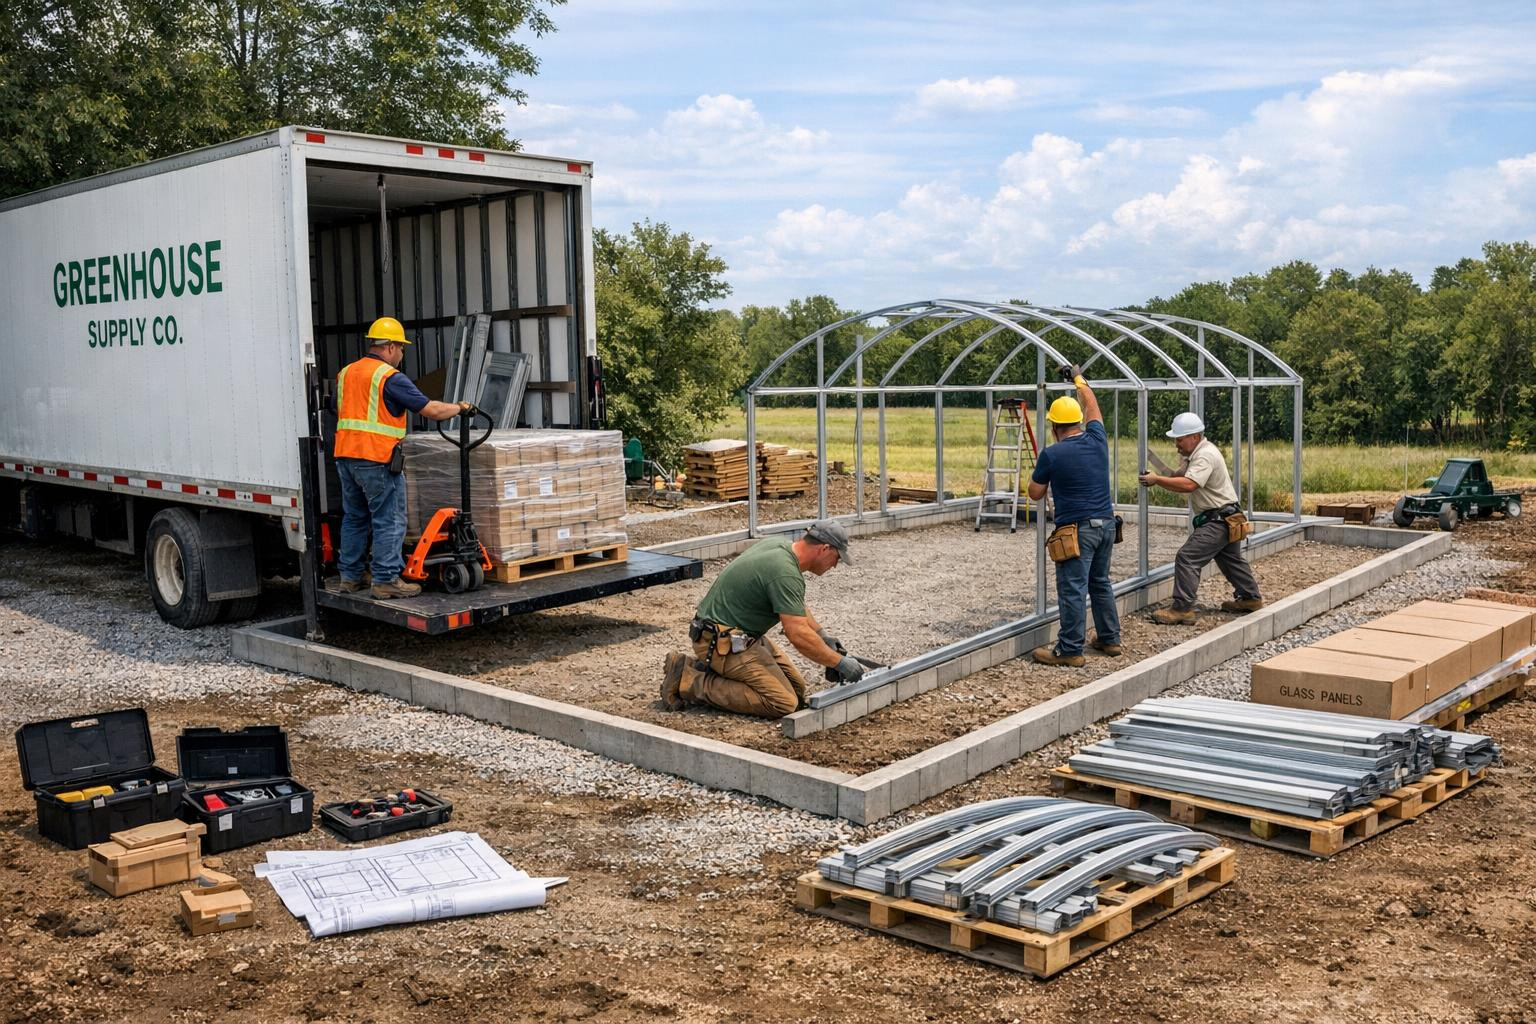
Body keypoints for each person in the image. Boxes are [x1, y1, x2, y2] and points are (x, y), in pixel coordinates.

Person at [660, 520, 866, 718]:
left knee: (797, 690)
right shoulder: (785, 573)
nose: (835, 565)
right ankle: (688, 680)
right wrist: (839, 663)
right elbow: (797, 634)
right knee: (782, 702)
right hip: (719, 642)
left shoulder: (780, 547)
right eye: (837, 558)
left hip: (735, 636)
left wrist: (823, 636)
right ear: (825, 549)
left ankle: (700, 667)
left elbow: (794, 604)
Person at [333, 316, 468, 599]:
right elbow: (431, 410)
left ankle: (350, 577)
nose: (402, 354)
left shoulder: (346, 373)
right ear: (391, 347)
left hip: (346, 457)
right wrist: (460, 407)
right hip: (376, 458)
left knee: (355, 518)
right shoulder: (389, 377)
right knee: (390, 519)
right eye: (402, 348)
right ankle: (385, 579)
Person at [1027, 366, 1122, 667]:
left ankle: (1070, 650)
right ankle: (1110, 639)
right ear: (1079, 422)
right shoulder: (1097, 438)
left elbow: (1034, 492)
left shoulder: (1052, 454)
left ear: (1054, 426)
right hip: (1106, 525)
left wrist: (1041, 475)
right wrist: (1078, 379)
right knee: (1100, 582)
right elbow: (1092, 405)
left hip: (1077, 530)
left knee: (1073, 588)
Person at [1139, 412, 1263, 624]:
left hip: (1218, 520)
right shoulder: (1199, 454)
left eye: (1179, 439)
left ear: (1194, 437)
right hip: (1228, 517)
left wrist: (1156, 480)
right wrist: (1154, 461)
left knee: (1187, 557)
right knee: (1230, 560)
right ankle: (1250, 598)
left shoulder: (1205, 455)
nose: (1176, 444)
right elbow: (1179, 476)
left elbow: (1189, 484)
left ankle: (1182, 609)